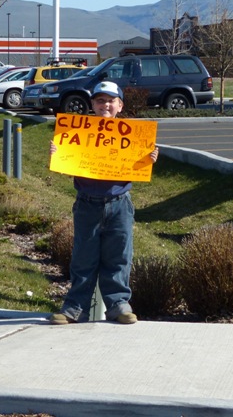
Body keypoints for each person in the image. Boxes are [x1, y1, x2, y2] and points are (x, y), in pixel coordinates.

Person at [49, 80, 158, 325]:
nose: (105, 105)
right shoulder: (77, 132)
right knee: (83, 258)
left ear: (120, 105)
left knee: (119, 256)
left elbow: (138, 167)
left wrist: (149, 158)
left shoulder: (134, 136)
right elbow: (68, 163)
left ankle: (118, 305)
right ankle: (76, 307)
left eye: (110, 101)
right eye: (100, 100)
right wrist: (58, 154)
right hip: (87, 203)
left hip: (120, 204)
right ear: (92, 104)